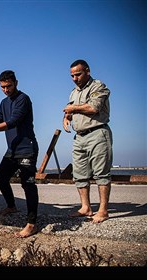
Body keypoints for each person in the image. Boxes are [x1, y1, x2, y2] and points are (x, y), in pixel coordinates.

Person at [0, 70, 39, 238]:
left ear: (16, 83)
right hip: (12, 150)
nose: (6, 90)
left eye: (8, 86)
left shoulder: (23, 99)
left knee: (28, 185)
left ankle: (31, 224)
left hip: (27, 149)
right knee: (1, 179)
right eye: (2, 87)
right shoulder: (3, 103)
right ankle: (12, 206)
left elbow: (12, 122)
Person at [63, 59, 113, 224]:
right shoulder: (73, 92)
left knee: (101, 173)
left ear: (87, 71)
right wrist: (66, 117)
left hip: (97, 133)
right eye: (72, 76)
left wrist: (72, 109)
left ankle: (103, 210)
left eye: (78, 74)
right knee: (79, 175)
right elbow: (70, 109)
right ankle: (86, 207)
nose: (75, 78)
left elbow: (93, 108)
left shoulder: (98, 86)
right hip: (79, 137)